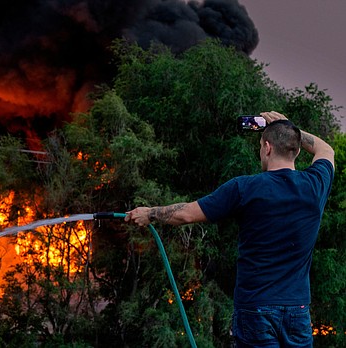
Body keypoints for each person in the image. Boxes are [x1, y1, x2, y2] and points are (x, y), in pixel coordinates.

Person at [125, 111, 334, 347]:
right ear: (296, 150)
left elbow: (186, 214)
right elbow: (326, 150)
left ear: (266, 147)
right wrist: (290, 127)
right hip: (298, 310)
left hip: (255, 309)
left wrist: (149, 213)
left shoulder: (244, 188)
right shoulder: (316, 185)